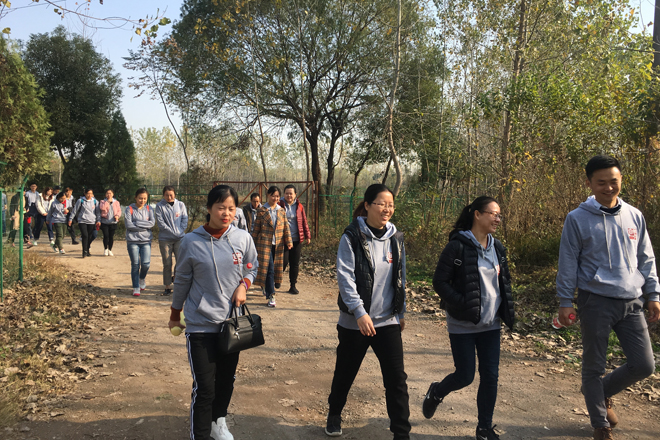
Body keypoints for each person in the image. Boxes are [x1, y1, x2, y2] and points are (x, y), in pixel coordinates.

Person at [556, 155, 660, 440]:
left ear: (621, 180)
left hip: (632, 301)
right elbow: (568, 262)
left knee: (644, 365)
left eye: (613, 181)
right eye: (601, 182)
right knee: (594, 365)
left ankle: (597, 392)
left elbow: (646, 258)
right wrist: (565, 301)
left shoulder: (634, 215)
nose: (608, 187)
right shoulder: (577, 218)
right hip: (595, 300)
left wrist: (653, 293)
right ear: (589, 184)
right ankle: (600, 425)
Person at [169, 185, 258, 440]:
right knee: (205, 387)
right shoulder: (190, 241)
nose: (226, 213)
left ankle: (218, 421)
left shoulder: (242, 238)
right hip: (201, 325)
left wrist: (244, 285)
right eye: (221, 208)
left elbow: (252, 266)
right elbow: (182, 280)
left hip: (231, 325)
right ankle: (200, 434)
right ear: (209, 209)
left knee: (226, 380)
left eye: (231, 208)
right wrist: (175, 314)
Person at [423, 196, 514, 440]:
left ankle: (484, 428)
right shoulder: (457, 246)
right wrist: (463, 304)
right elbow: (439, 281)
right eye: (493, 214)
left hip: (491, 324)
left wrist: (505, 309)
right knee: (465, 376)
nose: (498, 219)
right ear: (477, 214)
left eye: (499, 215)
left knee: (490, 377)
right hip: (462, 323)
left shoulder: (498, 248)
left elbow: (503, 281)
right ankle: (436, 392)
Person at [326, 184, 410, 440]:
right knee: (345, 373)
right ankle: (334, 413)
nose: (387, 209)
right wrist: (359, 312)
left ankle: (401, 432)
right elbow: (345, 277)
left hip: (387, 320)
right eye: (381, 204)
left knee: (396, 379)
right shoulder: (352, 236)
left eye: (391, 205)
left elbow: (400, 277)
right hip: (355, 322)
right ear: (367, 205)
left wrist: (401, 311)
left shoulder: (396, 238)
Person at [251, 186, 292, 307]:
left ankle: (266, 285)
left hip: (278, 245)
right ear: (268, 195)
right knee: (270, 269)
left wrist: (289, 241)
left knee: (275, 269)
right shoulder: (262, 211)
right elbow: (256, 229)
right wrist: (251, 244)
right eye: (273, 196)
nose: (275, 198)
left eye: (277, 196)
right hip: (264, 244)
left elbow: (286, 227)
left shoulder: (281, 211)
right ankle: (271, 295)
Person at [155, 186, 188, 296]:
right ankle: (167, 286)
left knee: (181, 262)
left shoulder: (181, 205)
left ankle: (177, 282)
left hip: (180, 239)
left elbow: (184, 219)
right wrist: (174, 232)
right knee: (167, 263)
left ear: (174, 194)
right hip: (165, 239)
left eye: (171, 195)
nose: (169, 197)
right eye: (167, 195)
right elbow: (161, 223)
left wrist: (180, 231)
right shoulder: (159, 206)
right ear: (163, 195)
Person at [279, 185, 311, 294]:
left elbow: (304, 221)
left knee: (295, 263)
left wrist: (307, 235)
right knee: (283, 262)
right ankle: (277, 279)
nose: (289, 195)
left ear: (295, 195)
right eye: (287, 193)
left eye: (291, 193)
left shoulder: (299, 206)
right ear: (284, 194)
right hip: (283, 240)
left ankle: (293, 285)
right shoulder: (279, 205)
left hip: (296, 239)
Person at [125, 188, 155, 296]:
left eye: (145, 198)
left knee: (146, 264)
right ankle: (136, 287)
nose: (142, 201)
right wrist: (144, 226)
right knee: (135, 264)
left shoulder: (149, 209)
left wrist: (137, 222)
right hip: (132, 241)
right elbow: (128, 225)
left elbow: (152, 223)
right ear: (135, 198)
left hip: (146, 240)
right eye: (140, 198)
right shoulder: (129, 209)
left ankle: (142, 278)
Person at [70, 188, 101, 258]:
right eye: (88, 193)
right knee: (85, 235)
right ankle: (84, 252)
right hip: (82, 221)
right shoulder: (80, 201)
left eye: (91, 194)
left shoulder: (95, 201)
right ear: (85, 194)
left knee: (90, 236)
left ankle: (87, 249)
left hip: (91, 221)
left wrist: (98, 220)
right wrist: (70, 219)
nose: (89, 195)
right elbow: (75, 210)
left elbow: (98, 212)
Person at [99, 189, 121, 256]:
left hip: (113, 222)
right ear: (105, 194)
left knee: (111, 237)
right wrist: (107, 202)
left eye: (110, 193)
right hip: (104, 222)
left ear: (113, 194)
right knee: (106, 236)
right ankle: (105, 249)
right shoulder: (102, 201)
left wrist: (117, 216)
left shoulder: (116, 202)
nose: (109, 195)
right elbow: (102, 208)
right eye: (107, 193)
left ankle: (110, 250)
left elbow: (119, 211)